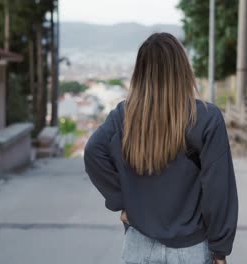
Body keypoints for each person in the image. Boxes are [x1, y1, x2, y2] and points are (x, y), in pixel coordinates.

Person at [84, 32, 238, 264]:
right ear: (182, 69)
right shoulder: (206, 118)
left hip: (138, 245)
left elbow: (93, 153)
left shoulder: (123, 115)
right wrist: (220, 249)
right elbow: (218, 190)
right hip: (190, 249)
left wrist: (122, 201)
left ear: (141, 72)